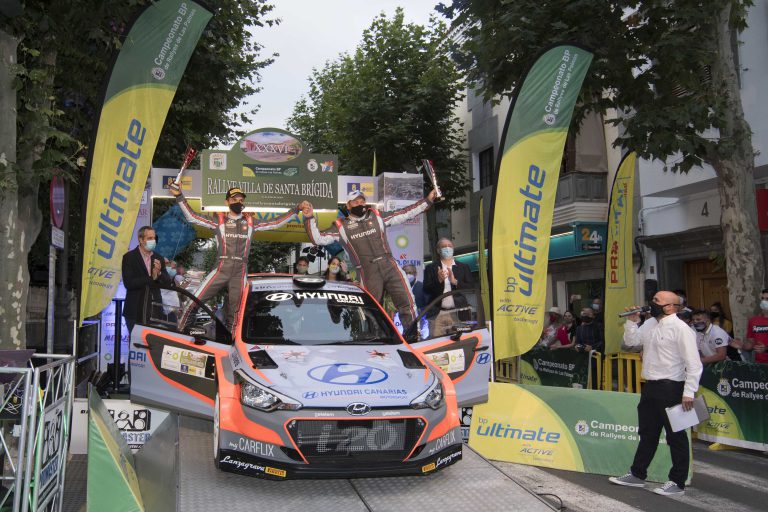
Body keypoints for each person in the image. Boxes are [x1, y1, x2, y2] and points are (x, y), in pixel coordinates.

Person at [609, 291, 702, 496]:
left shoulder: (681, 329)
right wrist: (632, 322)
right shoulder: (650, 324)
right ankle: (637, 474)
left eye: (657, 301)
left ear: (670, 307)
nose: (652, 303)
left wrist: (688, 393)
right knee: (648, 432)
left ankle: (677, 481)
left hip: (672, 387)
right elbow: (632, 343)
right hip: (650, 385)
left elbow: (694, 365)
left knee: (676, 436)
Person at [300, 188, 437, 327]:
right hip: (368, 272)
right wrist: (309, 217)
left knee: (407, 302)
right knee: (370, 309)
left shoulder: (377, 216)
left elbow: (405, 213)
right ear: (347, 206)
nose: (360, 204)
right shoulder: (341, 226)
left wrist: (428, 200)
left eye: (362, 201)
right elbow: (318, 239)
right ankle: (374, 340)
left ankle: (412, 337)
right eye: (355, 202)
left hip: (390, 265)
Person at [171, 185, 298, 331]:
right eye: (234, 199)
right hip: (221, 268)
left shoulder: (250, 222)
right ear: (227, 202)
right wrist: (179, 195)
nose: (238, 202)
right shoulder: (219, 221)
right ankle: (181, 333)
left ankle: (233, 345)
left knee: (236, 313)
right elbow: (192, 217)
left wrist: (295, 210)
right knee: (194, 302)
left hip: (240, 271)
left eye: (241, 199)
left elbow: (276, 223)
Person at [121, 226, 172, 335]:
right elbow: (129, 283)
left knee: (154, 347)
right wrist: (151, 278)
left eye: (154, 238)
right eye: (149, 238)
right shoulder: (129, 257)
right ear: (140, 239)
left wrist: (159, 274)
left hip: (155, 312)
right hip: (134, 311)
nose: (153, 241)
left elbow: (168, 282)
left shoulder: (159, 258)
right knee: (137, 347)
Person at [423, 238, 476, 336]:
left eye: (450, 246)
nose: (447, 248)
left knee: (458, 342)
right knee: (436, 344)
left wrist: (455, 282)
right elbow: (426, 290)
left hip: (458, 312)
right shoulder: (431, 268)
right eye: (444, 247)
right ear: (438, 250)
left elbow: (471, 288)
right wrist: (439, 281)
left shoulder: (463, 267)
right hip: (437, 314)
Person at [742, 288, 768, 364]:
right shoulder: (753, 321)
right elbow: (751, 342)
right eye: (762, 298)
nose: (764, 301)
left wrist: (766, 348)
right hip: (758, 364)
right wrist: (742, 345)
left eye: (767, 299)